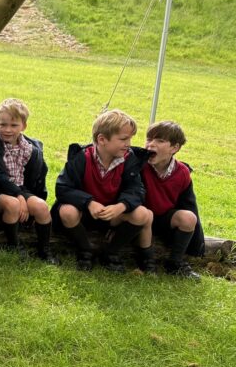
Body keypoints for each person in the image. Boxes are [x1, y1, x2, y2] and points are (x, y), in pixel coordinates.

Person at [51, 109, 153, 272]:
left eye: (130, 138)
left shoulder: (129, 159)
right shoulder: (81, 157)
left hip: (112, 215)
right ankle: (85, 250)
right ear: (102, 139)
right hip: (84, 213)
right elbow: (63, 188)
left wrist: (121, 206)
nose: (128, 143)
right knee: (67, 212)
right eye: (123, 139)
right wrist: (89, 202)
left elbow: (137, 189)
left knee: (142, 214)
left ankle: (111, 252)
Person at [0, 98, 59, 263]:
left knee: (41, 207)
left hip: (20, 189)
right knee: (13, 204)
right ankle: (14, 245)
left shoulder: (30, 149)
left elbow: (37, 176)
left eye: (14, 125)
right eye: (2, 125)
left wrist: (26, 196)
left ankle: (44, 249)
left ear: (23, 126)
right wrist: (19, 196)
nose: (7, 130)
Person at [136, 120, 204, 278]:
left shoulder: (182, 172)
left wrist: (197, 245)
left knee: (188, 217)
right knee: (143, 213)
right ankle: (146, 261)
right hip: (139, 218)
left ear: (175, 148)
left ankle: (175, 263)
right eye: (149, 139)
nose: (151, 145)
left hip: (164, 219)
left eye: (160, 141)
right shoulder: (139, 165)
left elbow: (189, 205)